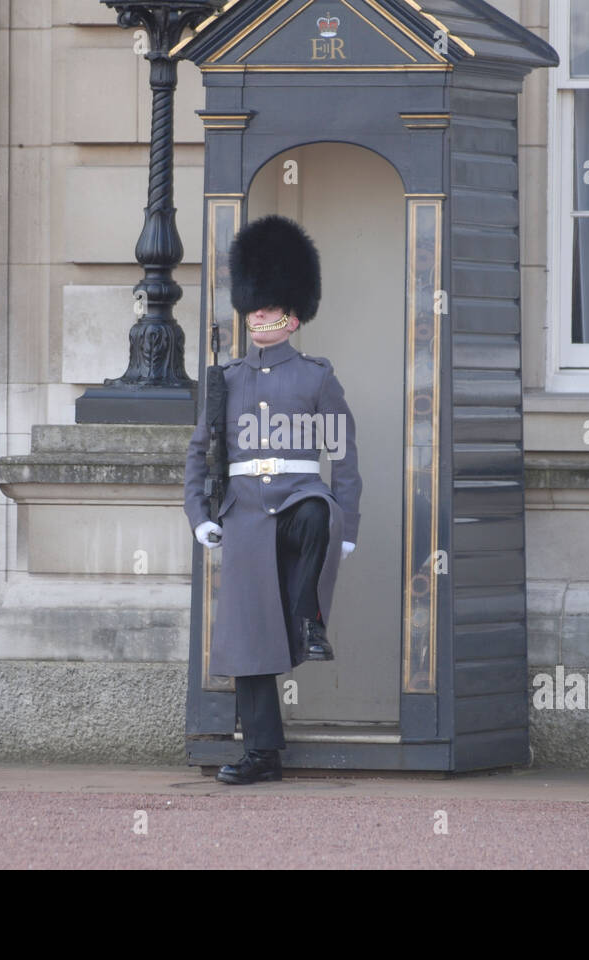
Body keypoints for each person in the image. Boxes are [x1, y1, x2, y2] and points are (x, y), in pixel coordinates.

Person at [183, 214, 362, 785]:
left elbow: (343, 457)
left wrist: (348, 525)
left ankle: (308, 618)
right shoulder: (227, 379)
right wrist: (200, 517)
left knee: (317, 513)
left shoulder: (316, 378)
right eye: (254, 308)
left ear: (292, 314)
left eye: (270, 308)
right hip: (243, 515)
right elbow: (197, 454)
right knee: (245, 635)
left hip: (298, 500)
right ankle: (262, 753)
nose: (259, 316)